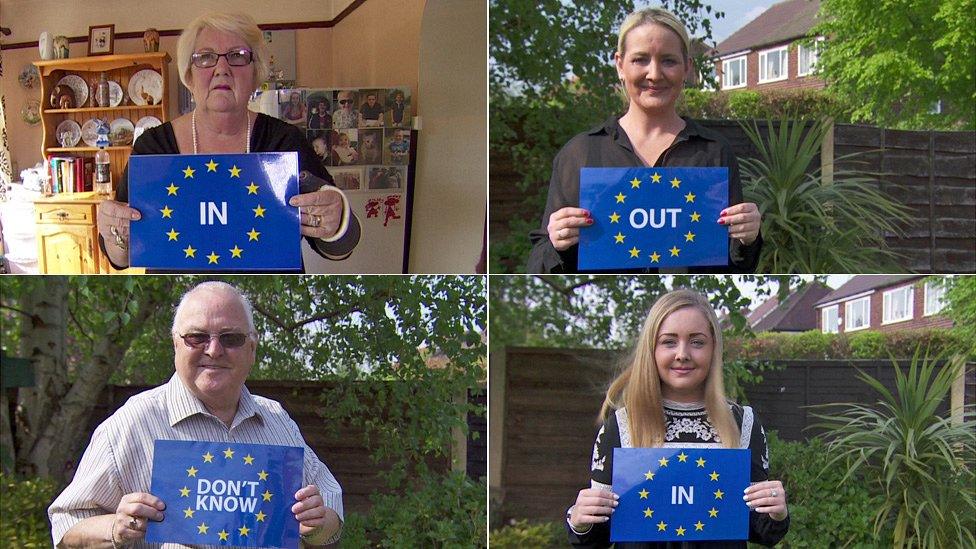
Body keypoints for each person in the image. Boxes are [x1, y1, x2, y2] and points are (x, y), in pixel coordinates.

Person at [48, 281, 343, 548]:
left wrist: (315, 527)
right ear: (176, 344)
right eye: (196, 337)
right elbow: (65, 530)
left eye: (231, 339)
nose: (214, 350)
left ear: (252, 348)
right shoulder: (131, 423)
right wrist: (115, 527)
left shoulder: (277, 420)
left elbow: (331, 523)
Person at [96, 12, 359, 272]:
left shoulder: (285, 142)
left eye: (237, 56)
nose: (222, 69)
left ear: (256, 73)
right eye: (206, 57)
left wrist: (336, 221)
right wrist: (115, 235)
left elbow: (340, 245)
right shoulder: (152, 148)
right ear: (189, 74)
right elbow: (120, 257)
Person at [528, 8, 762, 273]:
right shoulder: (580, 154)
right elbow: (538, 266)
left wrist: (748, 237)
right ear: (620, 65)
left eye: (668, 61)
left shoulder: (714, 152)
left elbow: (732, 267)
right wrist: (557, 243)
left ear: (686, 68)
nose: (654, 74)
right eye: (640, 59)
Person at [567, 289, 789, 547]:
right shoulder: (621, 425)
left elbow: (761, 530)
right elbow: (598, 537)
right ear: (651, 349)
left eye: (697, 342)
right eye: (669, 341)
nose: (682, 353)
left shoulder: (743, 423)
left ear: (714, 349)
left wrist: (777, 512)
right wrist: (580, 521)